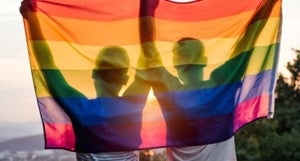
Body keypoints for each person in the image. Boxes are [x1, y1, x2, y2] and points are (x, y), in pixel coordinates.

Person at [24, 11, 150, 161]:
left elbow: (47, 66)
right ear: (125, 78)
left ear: (94, 73)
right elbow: (149, 56)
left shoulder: (81, 109)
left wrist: (32, 19)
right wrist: (148, 11)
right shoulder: (133, 104)